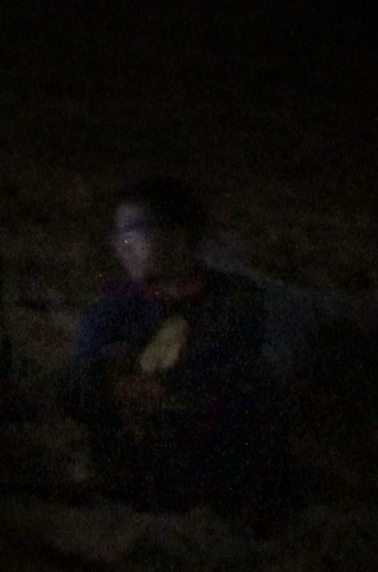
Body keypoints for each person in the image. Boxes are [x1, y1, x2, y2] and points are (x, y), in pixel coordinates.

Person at [56, 177, 297, 522]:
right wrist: (112, 381)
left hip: (218, 475)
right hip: (133, 474)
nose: (123, 246)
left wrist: (164, 384)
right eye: (117, 236)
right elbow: (76, 383)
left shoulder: (233, 300)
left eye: (135, 233)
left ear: (178, 236)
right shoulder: (112, 309)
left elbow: (227, 372)